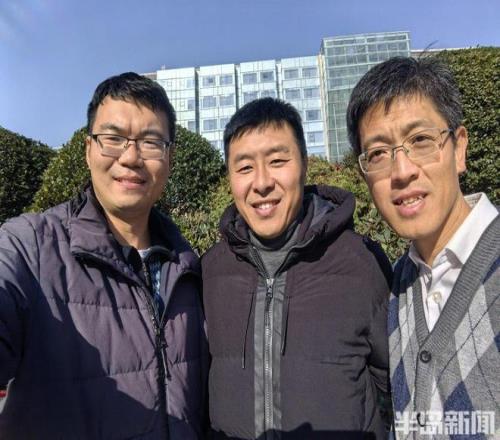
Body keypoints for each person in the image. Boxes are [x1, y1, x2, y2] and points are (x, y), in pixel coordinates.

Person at [0, 72, 208, 439]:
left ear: (169, 158)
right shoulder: (29, 247)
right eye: (113, 139)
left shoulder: (188, 267)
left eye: (150, 142)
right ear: (88, 150)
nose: (130, 157)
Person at [202, 97, 392, 439]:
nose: (262, 182)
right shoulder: (210, 272)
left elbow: (398, 384)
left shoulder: (360, 263)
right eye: (244, 168)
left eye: (277, 161)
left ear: (304, 164)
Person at [347, 56, 499, 439]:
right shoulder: (399, 284)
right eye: (378, 154)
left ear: (458, 149)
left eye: (420, 141)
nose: (402, 171)